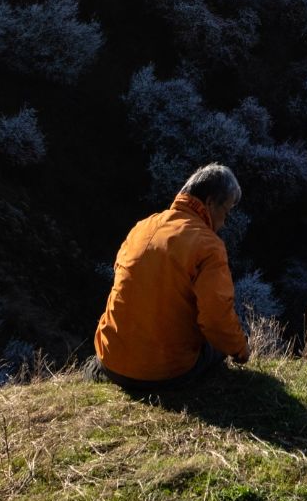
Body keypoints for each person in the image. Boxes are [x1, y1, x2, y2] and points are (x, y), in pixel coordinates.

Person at [89, 163, 250, 393]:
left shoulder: (142, 227)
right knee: (218, 348)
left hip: (110, 360)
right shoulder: (209, 246)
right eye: (227, 211)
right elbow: (215, 320)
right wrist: (241, 350)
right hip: (163, 374)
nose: (224, 221)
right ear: (211, 202)